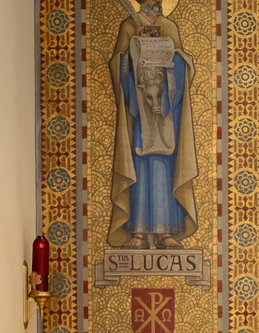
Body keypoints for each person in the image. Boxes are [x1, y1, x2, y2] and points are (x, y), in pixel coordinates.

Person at [108, 0, 199, 249]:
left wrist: (170, 59)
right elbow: (117, 64)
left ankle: (164, 232)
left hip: (166, 111)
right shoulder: (129, 25)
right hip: (138, 113)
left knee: (163, 166)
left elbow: (183, 64)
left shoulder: (169, 26)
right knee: (140, 166)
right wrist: (134, 55)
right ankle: (137, 232)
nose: (153, 2)